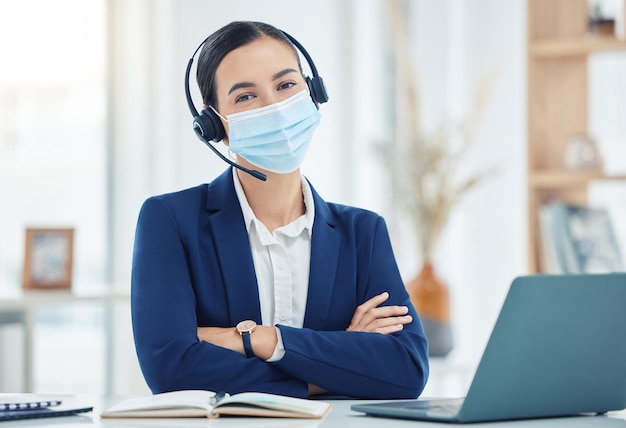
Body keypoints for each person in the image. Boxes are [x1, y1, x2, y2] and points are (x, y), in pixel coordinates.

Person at [131, 20, 429, 400]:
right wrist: (336, 364)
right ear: (213, 125)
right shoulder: (170, 221)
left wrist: (259, 338)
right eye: (245, 97)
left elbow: (406, 370)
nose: (274, 107)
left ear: (314, 93)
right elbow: (170, 369)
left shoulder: (363, 232)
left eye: (286, 85)